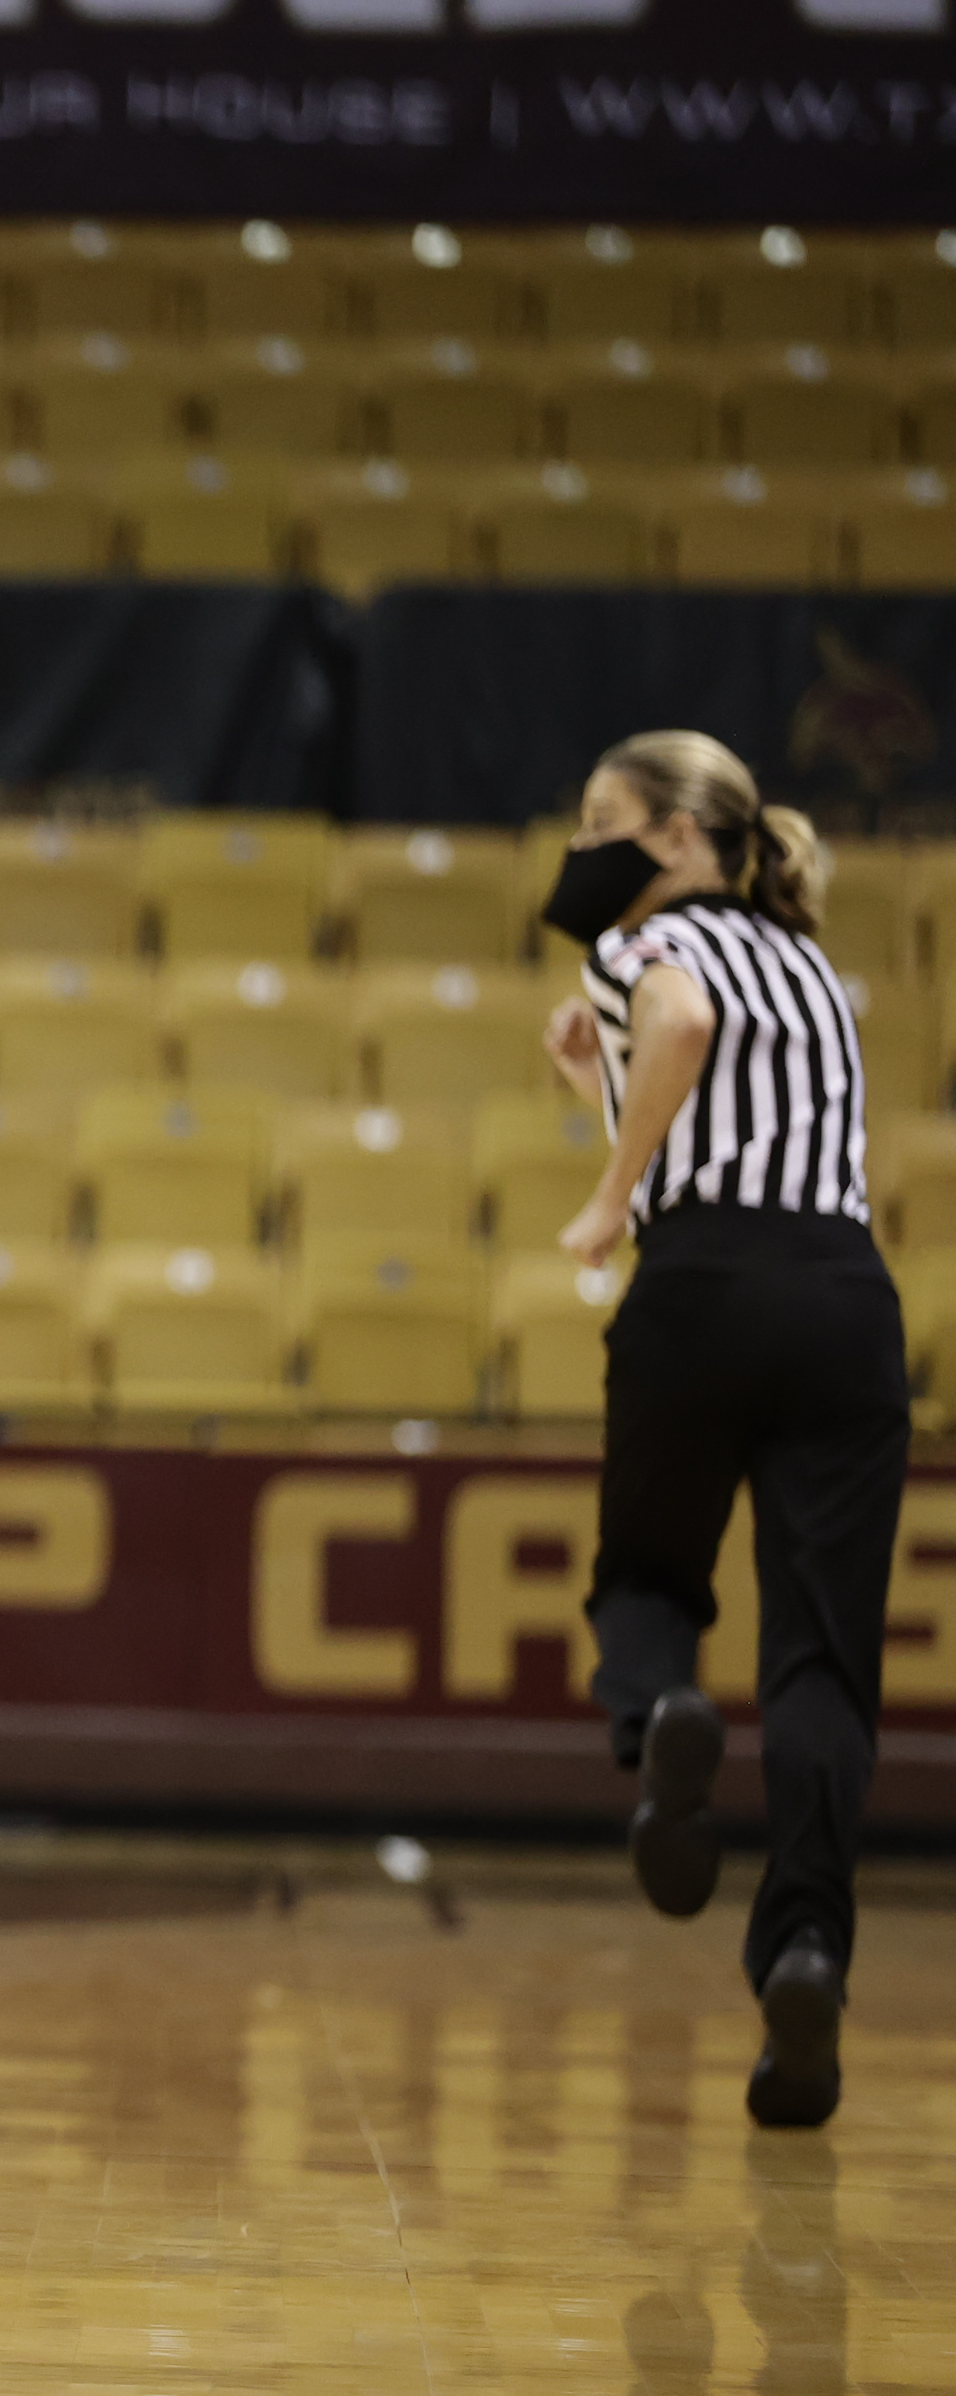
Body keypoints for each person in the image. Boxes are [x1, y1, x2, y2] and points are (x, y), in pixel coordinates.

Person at [540, 729, 895, 2131]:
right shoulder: (811, 967)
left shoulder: (645, 946)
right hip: (844, 1302)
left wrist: (607, 1199)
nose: (584, 851)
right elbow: (716, 1106)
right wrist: (597, 1091)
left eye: (600, 822)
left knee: (645, 1576)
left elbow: (684, 1037)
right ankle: (805, 1953)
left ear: (681, 840)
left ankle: (662, 1715)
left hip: (701, 1289)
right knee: (821, 1664)